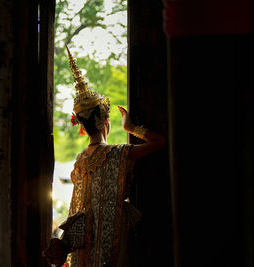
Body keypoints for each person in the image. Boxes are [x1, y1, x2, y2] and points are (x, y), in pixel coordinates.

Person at [44, 46, 165, 266]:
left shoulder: (79, 163)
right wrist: (130, 128)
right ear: (104, 121)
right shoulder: (120, 154)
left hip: (85, 251)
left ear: (82, 127)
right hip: (115, 245)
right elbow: (160, 142)